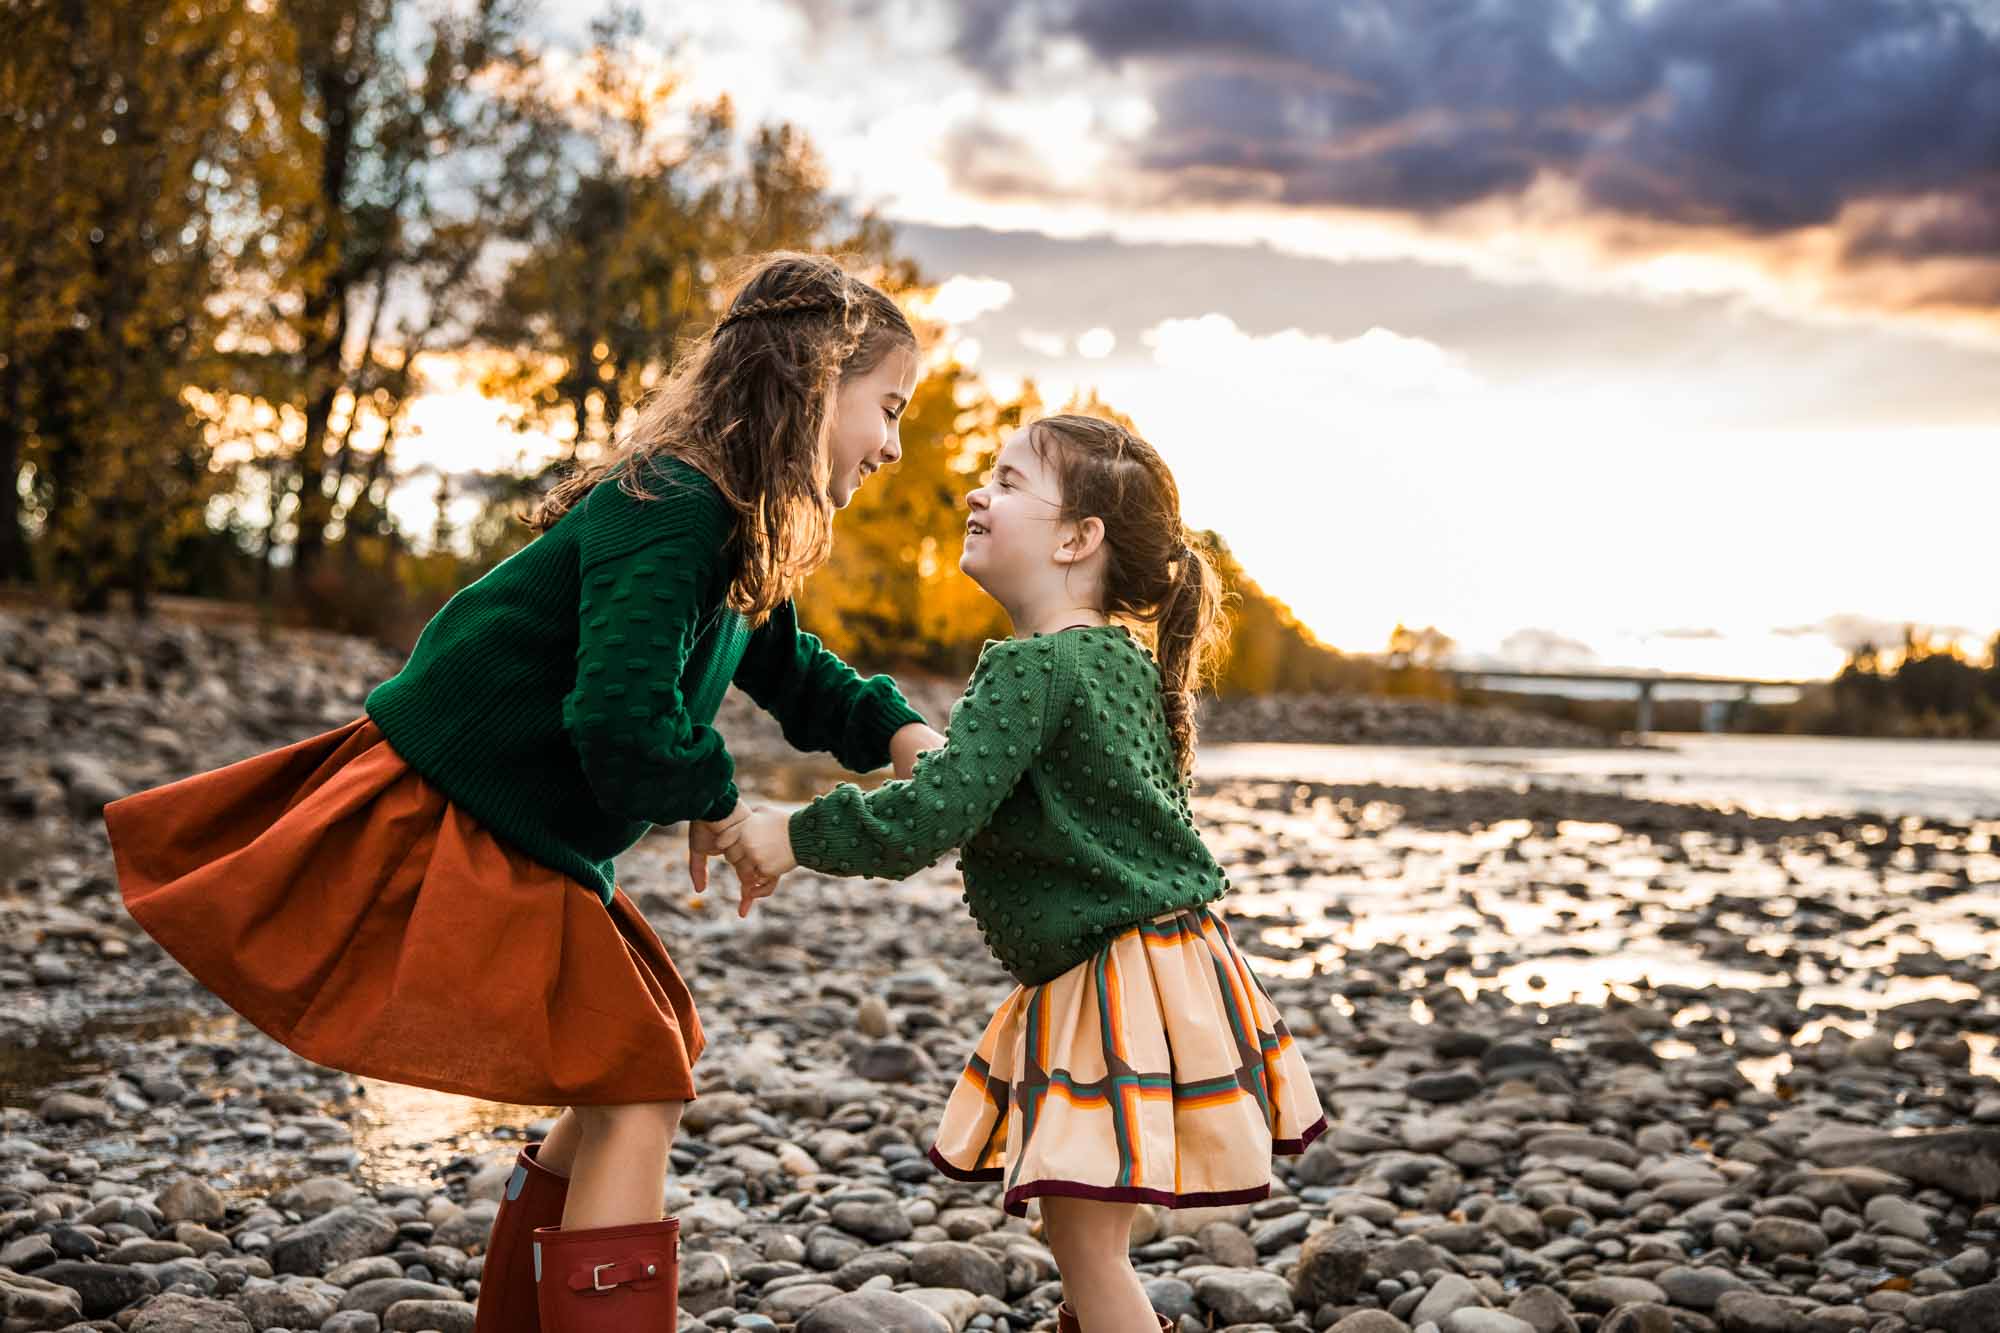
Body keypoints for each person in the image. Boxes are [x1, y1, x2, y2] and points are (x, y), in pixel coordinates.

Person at [102, 253, 946, 1333]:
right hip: (462, 808)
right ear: (813, 380)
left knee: (645, 1050)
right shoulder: (674, 504)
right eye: (887, 408)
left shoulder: (726, 518)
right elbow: (617, 715)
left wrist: (904, 733)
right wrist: (720, 806)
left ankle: (519, 1314)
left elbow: (785, 663)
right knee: (637, 1077)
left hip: (528, 826)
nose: (891, 445)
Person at [718, 414, 1327, 1332]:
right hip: (1169, 968)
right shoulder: (1116, 660)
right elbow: (1021, 796)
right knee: (1080, 1230)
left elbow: (935, 816)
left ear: (1079, 539)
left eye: (1007, 483)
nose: (976, 492)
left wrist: (793, 835)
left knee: (1086, 1244)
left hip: (1111, 979)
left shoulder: (1033, 668)